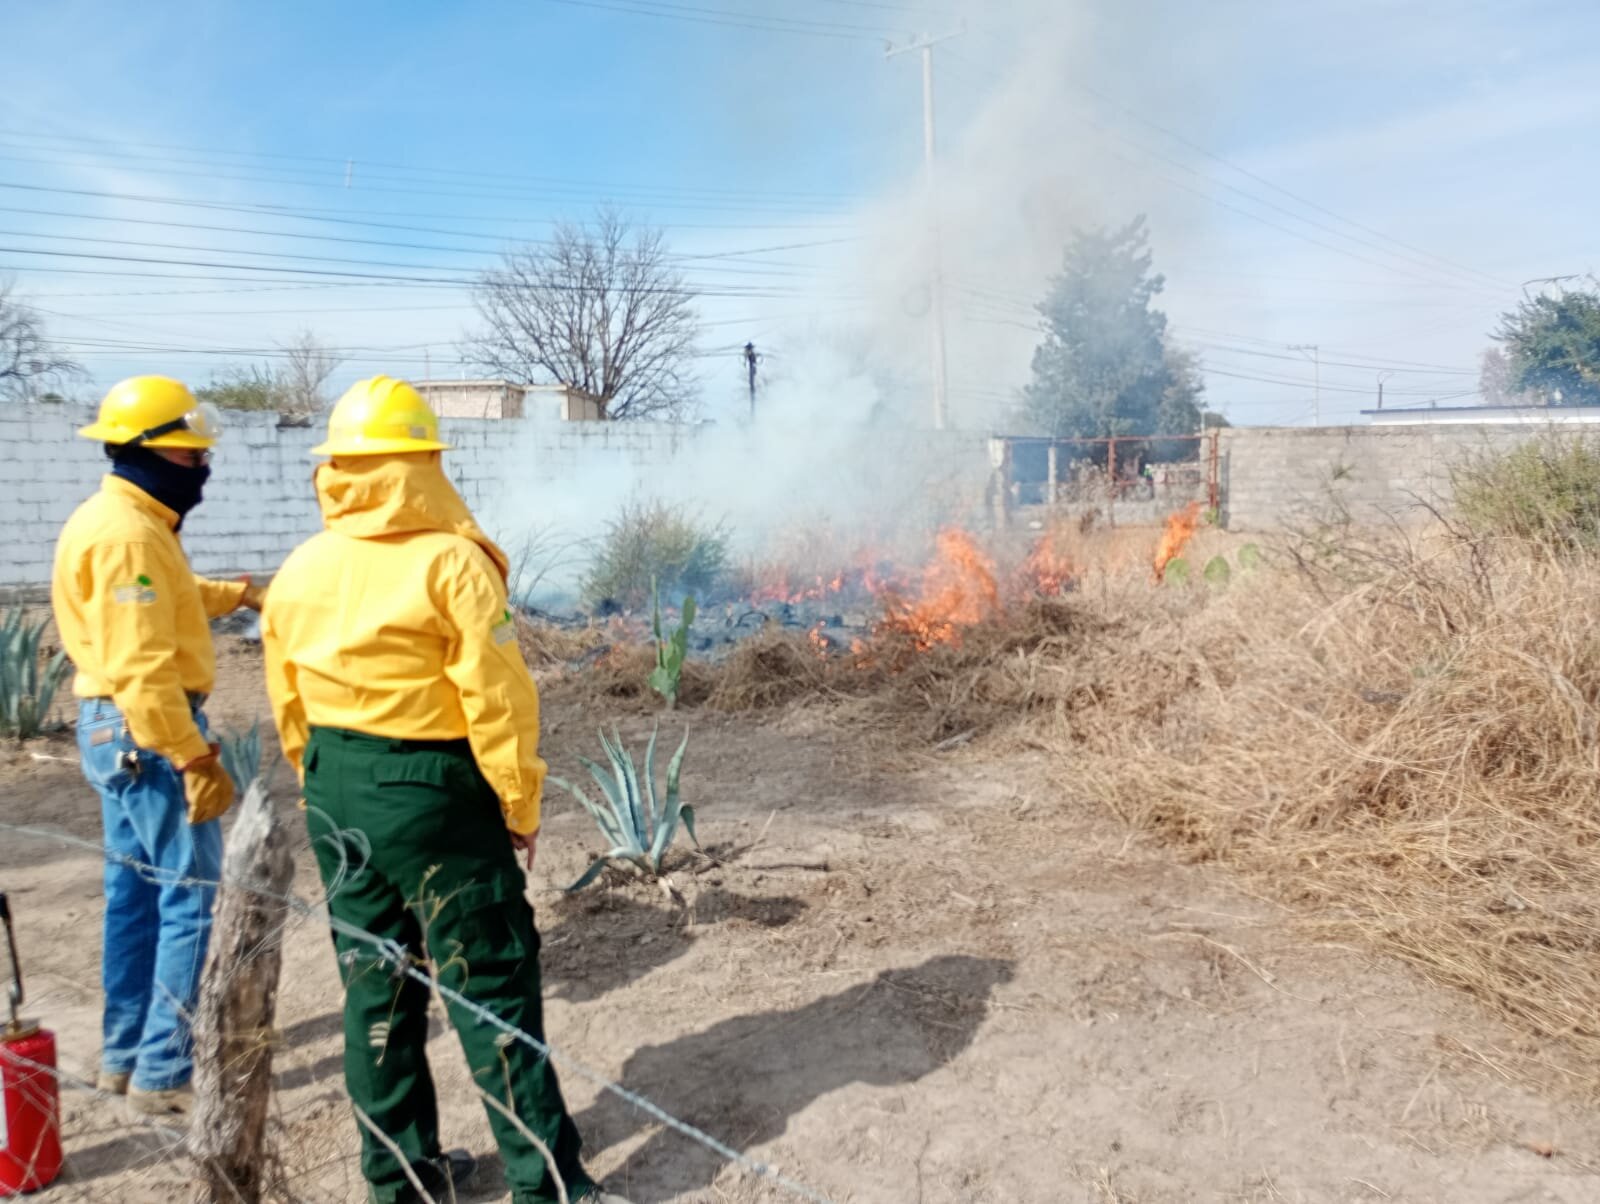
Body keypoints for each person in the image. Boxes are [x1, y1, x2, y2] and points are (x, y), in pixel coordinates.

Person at [260, 377, 629, 1204]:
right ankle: (548, 1187)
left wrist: (321, 784)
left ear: (338, 469)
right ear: (422, 464)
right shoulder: (452, 562)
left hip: (336, 785)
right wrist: (519, 804)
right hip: (432, 792)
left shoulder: (301, 567)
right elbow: (496, 699)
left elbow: (286, 697)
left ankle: (401, 1181)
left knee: (375, 988)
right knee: (489, 983)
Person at [51, 375, 263, 1116]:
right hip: (147, 732)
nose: (201, 465)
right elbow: (141, 664)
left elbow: (171, 595)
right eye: (188, 453)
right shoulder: (128, 535)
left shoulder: (124, 520)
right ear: (143, 451)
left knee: (134, 895)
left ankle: (124, 1056)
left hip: (117, 732)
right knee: (190, 898)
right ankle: (165, 1071)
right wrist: (191, 755)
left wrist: (238, 593)